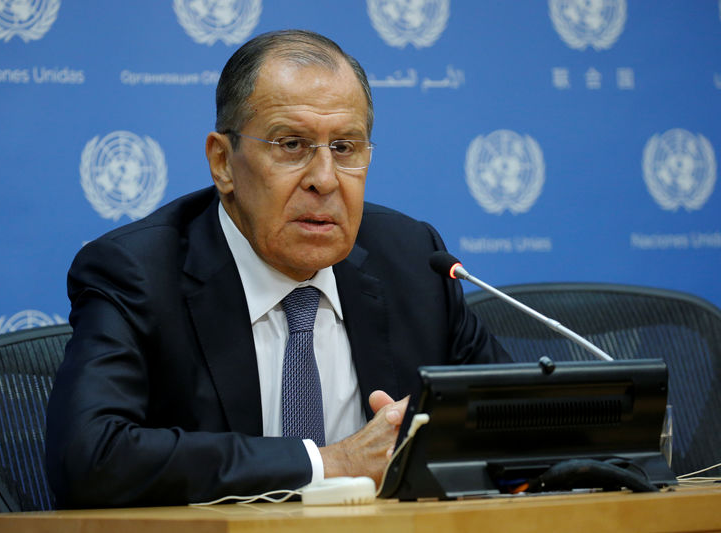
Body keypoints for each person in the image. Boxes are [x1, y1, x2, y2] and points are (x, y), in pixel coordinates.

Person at [45, 29, 509, 509]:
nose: (324, 179)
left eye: (345, 148)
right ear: (223, 161)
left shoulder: (414, 260)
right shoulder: (138, 272)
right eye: (292, 144)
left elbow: (520, 422)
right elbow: (89, 458)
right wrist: (329, 464)